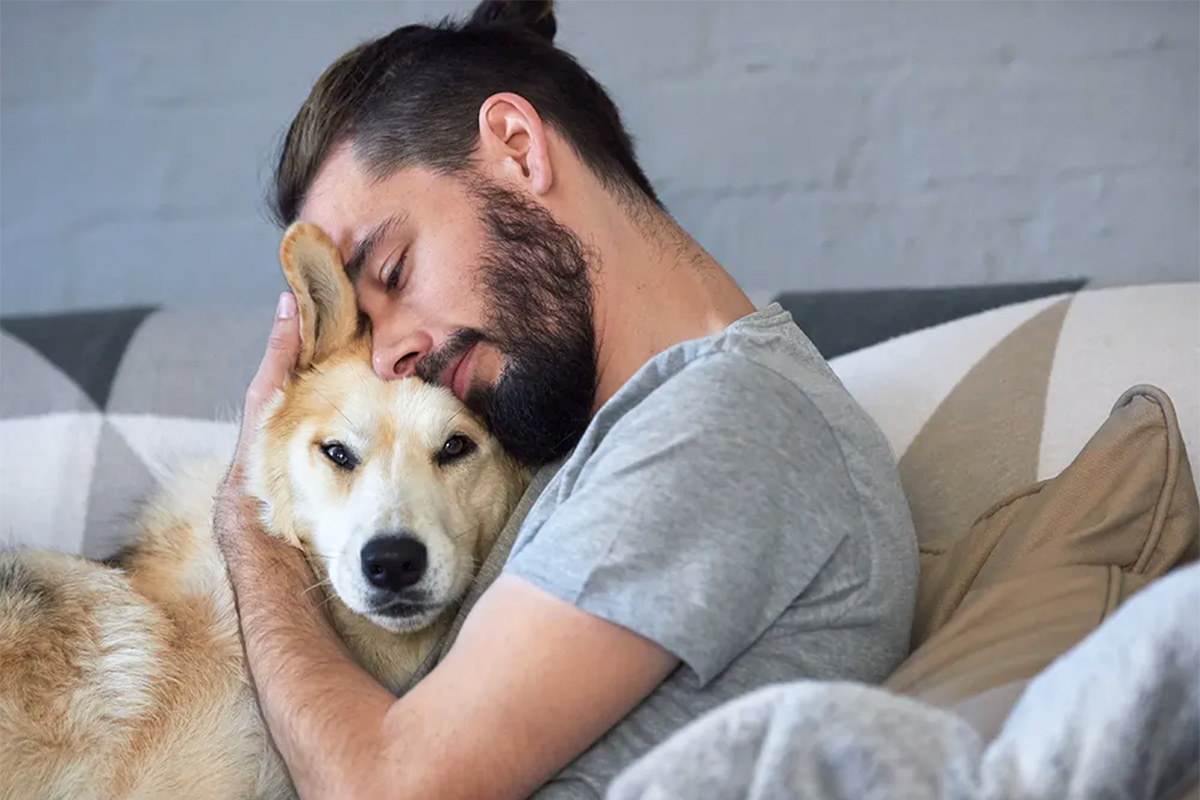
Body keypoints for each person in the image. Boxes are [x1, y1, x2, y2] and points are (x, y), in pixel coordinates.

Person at [213, 2, 919, 798]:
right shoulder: (600, 435)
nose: (389, 355)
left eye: (396, 272)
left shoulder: (727, 420)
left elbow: (387, 789)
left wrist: (248, 513)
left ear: (517, 149)